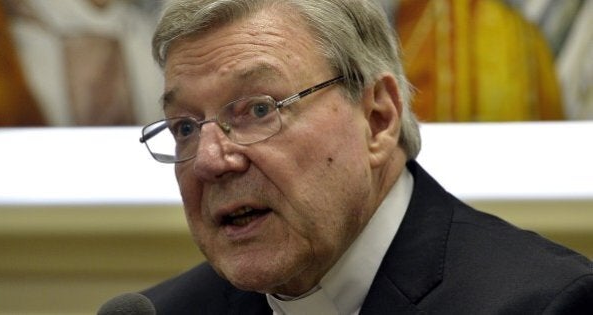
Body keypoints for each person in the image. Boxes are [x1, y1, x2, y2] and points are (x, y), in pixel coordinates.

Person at [103, 0, 593, 313]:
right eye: (185, 127)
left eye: (257, 109)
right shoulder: (164, 312)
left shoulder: (545, 304)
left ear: (378, 118)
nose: (210, 160)